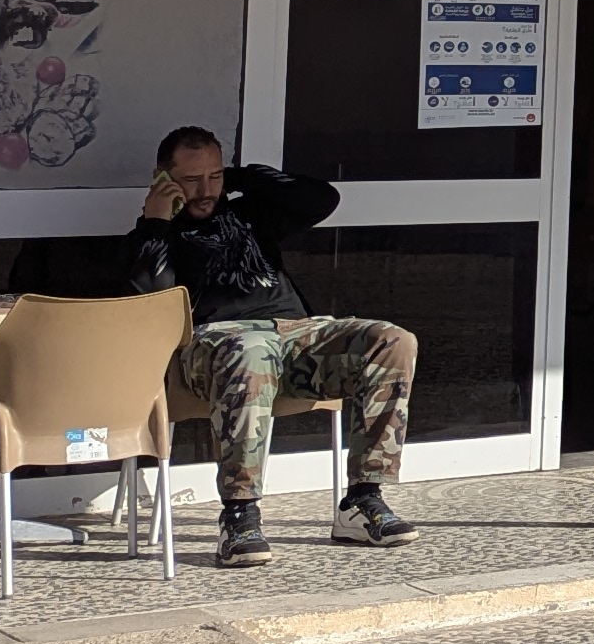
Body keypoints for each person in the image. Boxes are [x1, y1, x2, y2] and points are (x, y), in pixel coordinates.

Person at [126, 126, 421, 567]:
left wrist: (240, 177)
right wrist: (156, 222)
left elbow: (321, 198)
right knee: (250, 349)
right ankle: (239, 516)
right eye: (191, 180)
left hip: (295, 333)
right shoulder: (155, 234)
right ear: (162, 178)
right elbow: (151, 295)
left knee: (392, 341)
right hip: (217, 342)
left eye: (214, 176)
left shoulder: (249, 214)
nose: (205, 191)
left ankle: (362, 500)